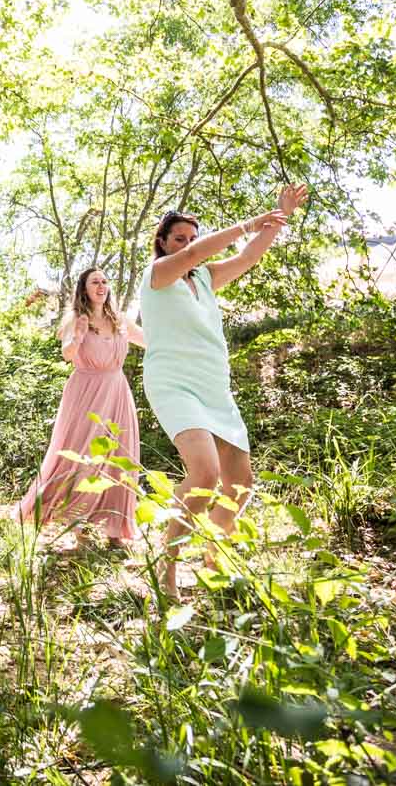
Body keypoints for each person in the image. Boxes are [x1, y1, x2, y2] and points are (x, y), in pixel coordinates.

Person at [140, 184, 308, 597]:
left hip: (213, 382)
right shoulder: (158, 276)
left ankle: (214, 555)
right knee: (204, 473)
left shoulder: (206, 277)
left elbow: (250, 256)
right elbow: (195, 255)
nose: (189, 245)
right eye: (179, 238)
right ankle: (169, 566)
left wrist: (279, 216)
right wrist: (248, 222)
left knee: (240, 484)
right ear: (162, 243)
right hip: (173, 381)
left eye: (192, 238)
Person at [18, 267, 145, 546]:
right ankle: (79, 525)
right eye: (94, 282)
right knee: (83, 454)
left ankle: (116, 530)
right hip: (86, 393)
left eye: (104, 281)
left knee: (119, 455)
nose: (101, 285)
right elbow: (67, 354)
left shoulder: (120, 320)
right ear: (84, 288)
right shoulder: (76, 319)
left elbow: (150, 342)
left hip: (117, 391)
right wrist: (78, 334)